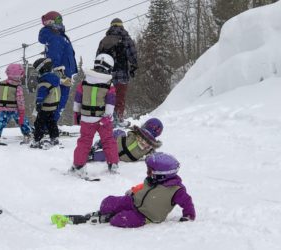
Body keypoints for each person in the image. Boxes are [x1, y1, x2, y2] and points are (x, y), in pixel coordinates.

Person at [52, 152, 196, 228]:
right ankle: (108, 211)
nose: (148, 173)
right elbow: (143, 187)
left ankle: (111, 216)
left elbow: (187, 203)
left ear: (161, 174)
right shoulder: (153, 180)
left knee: (118, 220)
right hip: (133, 201)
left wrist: (188, 215)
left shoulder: (176, 190)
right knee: (107, 203)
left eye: (150, 170)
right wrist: (133, 191)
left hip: (146, 216)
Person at [70, 53, 119, 177]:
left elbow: (77, 100)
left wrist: (77, 114)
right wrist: (107, 117)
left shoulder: (84, 82)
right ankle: (113, 163)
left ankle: (79, 165)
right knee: (108, 141)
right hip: (103, 119)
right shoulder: (109, 85)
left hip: (86, 118)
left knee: (84, 142)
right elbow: (110, 104)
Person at [96, 18, 138, 127]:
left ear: (111, 26)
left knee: (107, 97)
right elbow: (132, 54)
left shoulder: (104, 40)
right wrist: (133, 66)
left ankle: (107, 119)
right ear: (121, 26)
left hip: (106, 75)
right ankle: (118, 119)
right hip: (121, 73)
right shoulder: (126, 39)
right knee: (119, 97)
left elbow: (98, 57)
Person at [39, 11, 78, 123]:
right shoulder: (55, 36)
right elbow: (54, 57)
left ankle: (49, 125)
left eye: (61, 20)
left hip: (64, 71)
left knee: (57, 99)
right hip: (61, 72)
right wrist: (60, 76)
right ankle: (49, 125)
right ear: (51, 22)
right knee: (58, 99)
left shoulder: (57, 35)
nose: (61, 23)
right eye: (58, 20)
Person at [0, 64, 32, 144]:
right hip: (15, 108)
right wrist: (22, 110)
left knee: (0, 122)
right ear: (19, 75)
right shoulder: (17, 86)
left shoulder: (1, 84)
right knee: (22, 121)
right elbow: (20, 100)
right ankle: (27, 134)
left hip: (3, 108)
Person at [90, 118, 163, 162]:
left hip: (120, 144)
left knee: (119, 133)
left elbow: (129, 133)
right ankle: (92, 156)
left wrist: (131, 130)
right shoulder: (151, 146)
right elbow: (152, 156)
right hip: (128, 158)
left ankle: (99, 144)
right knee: (110, 155)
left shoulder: (138, 131)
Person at [30, 58, 61, 149]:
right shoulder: (55, 79)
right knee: (52, 123)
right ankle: (54, 137)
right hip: (53, 106)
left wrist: (38, 104)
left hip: (45, 107)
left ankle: (36, 140)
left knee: (39, 123)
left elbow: (41, 95)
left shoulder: (44, 81)